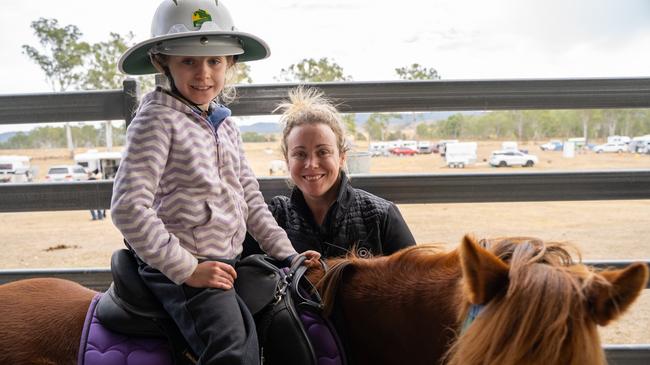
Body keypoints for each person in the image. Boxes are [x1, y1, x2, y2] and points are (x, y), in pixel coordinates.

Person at [110, 1, 320, 364]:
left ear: (230, 64)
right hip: (179, 264)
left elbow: (251, 200)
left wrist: (288, 254)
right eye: (188, 61)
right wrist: (187, 268)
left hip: (227, 259)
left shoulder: (225, 125)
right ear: (163, 63)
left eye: (214, 61)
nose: (203, 73)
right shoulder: (157, 121)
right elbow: (129, 208)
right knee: (232, 348)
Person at [243, 87, 416, 259]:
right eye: (300, 154)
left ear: (342, 157)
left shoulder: (380, 216)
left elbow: (416, 277)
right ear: (287, 161)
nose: (311, 164)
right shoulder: (272, 218)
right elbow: (236, 269)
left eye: (323, 152)